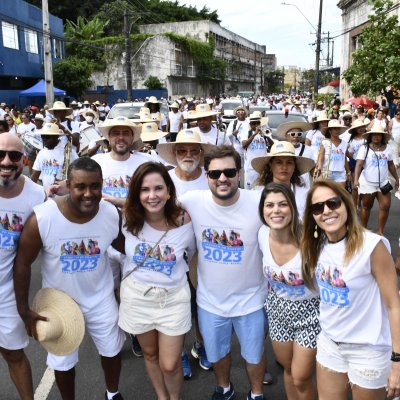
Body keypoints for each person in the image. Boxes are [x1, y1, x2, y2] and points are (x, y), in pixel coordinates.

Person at [14, 157, 126, 400]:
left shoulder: (110, 213)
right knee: (63, 362)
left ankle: (113, 393)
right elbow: (22, 264)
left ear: (102, 184)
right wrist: (24, 309)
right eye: (80, 187)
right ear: (69, 184)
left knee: (112, 350)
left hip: (101, 298)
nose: (88, 193)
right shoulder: (42, 219)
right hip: (59, 305)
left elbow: (125, 246)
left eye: (95, 186)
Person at [180, 146, 268, 400]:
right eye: (215, 173)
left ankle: (257, 393)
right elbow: (150, 202)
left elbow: (289, 221)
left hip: (252, 300)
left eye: (229, 172)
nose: (222, 178)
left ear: (239, 174)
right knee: (217, 353)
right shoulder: (193, 201)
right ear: (206, 175)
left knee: (254, 354)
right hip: (210, 301)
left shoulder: (258, 202)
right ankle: (224, 389)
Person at [301, 180, 400, 400]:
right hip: (330, 344)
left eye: (333, 203)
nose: (326, 211)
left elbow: (394, 305)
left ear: (346, 204)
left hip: (368, 351)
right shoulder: (316, 245)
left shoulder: (372, 246)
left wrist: (398, 362)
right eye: (318, 207)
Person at [119, 161, 195, 400]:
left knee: (170, 364)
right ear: (136, 193)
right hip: (137, 296)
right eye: (144, 190)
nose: (152, 196)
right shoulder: (127, 219)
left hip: (173, 299)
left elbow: (191, 254)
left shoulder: (184, 220)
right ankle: (162, 397)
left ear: (169, 190)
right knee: (150, 354)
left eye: (158, 188)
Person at [157, 129, 215, 379]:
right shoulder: (164, 180)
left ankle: (200, 345)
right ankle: (178, 353)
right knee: (176, 310)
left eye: (194, 150)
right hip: (171, 258)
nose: (188, 155)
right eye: (182, 150)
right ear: (174, 153)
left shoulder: (212, 178)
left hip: (206, 257)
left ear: (201, 154)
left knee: (203, 307)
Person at [258, 183, 319, 400]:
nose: (276, 210)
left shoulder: (311, 238)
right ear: (262, 210)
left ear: (292, 208)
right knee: (289, 369)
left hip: (311, 313)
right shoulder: (262, 234)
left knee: (302, 376)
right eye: (270, 205)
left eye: (283, 204)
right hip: (277, 311)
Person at [0, 133, 45, 400]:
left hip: (6, 294)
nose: (6, 161)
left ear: (24, 160)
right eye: (0, 155)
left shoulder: (36, 196)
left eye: (14, 156)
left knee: (13, 354)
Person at [354, 124, 399, 236]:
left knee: (385, 206)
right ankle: (364, 230)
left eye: (379, 135)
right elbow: (359, 165)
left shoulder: (387, 148)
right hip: (368, 183)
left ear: (382, 137)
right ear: (370, 136)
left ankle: (380, 231)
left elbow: (390, 164)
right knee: (366, 207)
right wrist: (356, 180)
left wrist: (397, 179)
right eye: (374, 135)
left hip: (383, 182)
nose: (376, 137)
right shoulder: (364, 148)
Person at [252, 142, 314, 219]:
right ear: (270, 165)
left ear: (295, 166)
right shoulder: (257, 194)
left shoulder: (305, 195)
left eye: (289, 162)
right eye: (279, 162)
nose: (284, 167)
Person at [31, 122, 78, 190]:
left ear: (56, 136)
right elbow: (34, 176)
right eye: (42, 136)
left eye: (47, 137)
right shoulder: (41, 153)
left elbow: (79, 171)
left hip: (64, 194)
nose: (44, 139)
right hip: (47, 195)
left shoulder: (68, 151)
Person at [276, 121, 314, 189]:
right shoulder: (281, 149)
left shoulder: (309, 150)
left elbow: (313, 169)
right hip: (286, 187)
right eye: (293, 134)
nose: (296, 137)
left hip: (304, 188)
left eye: (299, 134)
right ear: (287, 136)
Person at [241, 113, 273, 190]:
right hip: (251, 168)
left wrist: (267, 136)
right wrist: (255, 134)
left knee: (263, 190)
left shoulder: (264, 133)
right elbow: (244, 145)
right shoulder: (246, 133)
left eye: (258, 123)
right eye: (253, 123)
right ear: (250, 124)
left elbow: (272, 146)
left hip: (263, 168)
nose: (256, 125)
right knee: (250, 190)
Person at [315, 119, 350, 187]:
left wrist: (348, 172)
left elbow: (344, 158)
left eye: (338, 128)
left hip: (341, 172)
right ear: (330, 130)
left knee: (340, 194)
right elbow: (321, 157)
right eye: (334, 129)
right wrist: (319, 170)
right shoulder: (325, 142)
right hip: (328, 172)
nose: (336, 130)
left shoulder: (345, 144)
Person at [345, 120, 368, 208]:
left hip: (367, 164)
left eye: (362, 127)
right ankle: (354, 205)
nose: (361, 129)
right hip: (355, 163)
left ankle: (360, 201)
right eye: (358, 128)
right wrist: (346, 151)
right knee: (355, 186)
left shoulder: (368, 138)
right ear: (355, 129)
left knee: (364, 185)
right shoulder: (352, 141)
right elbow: (350, 154)